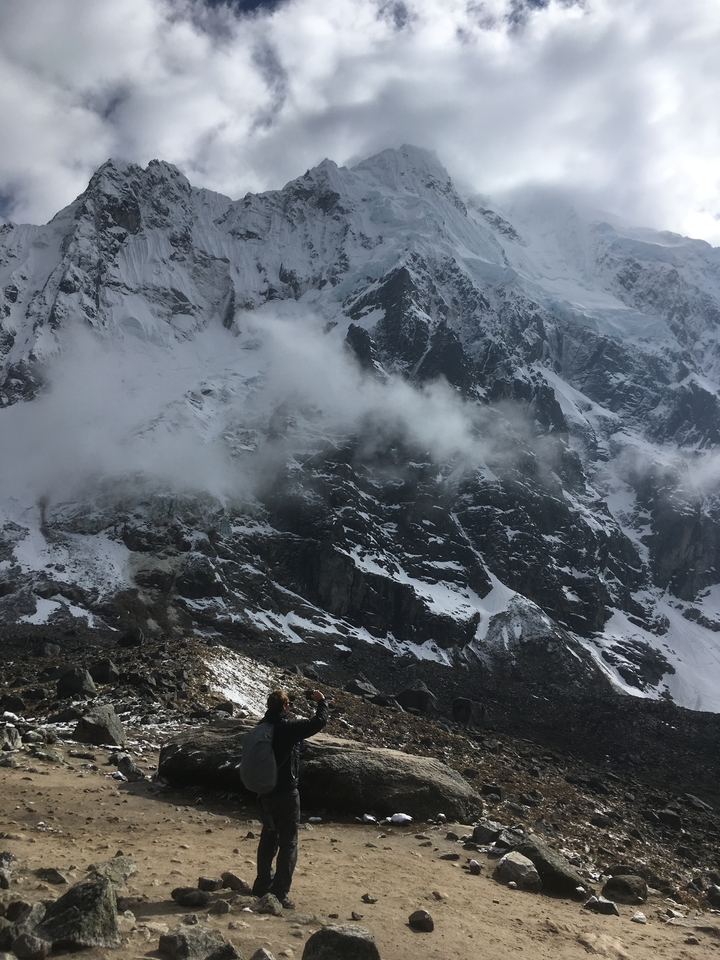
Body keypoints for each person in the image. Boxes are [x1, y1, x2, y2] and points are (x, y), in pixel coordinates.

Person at [251, 687, 328, 908]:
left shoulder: (263, 727)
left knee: (268, 837)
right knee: (288, 843)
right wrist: (322, 702)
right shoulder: (288, 729)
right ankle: (279, 893)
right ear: (285, 707)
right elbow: (318, 722)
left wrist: (284, 700)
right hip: (286, 793)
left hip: (265, 792)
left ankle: (261, 885)